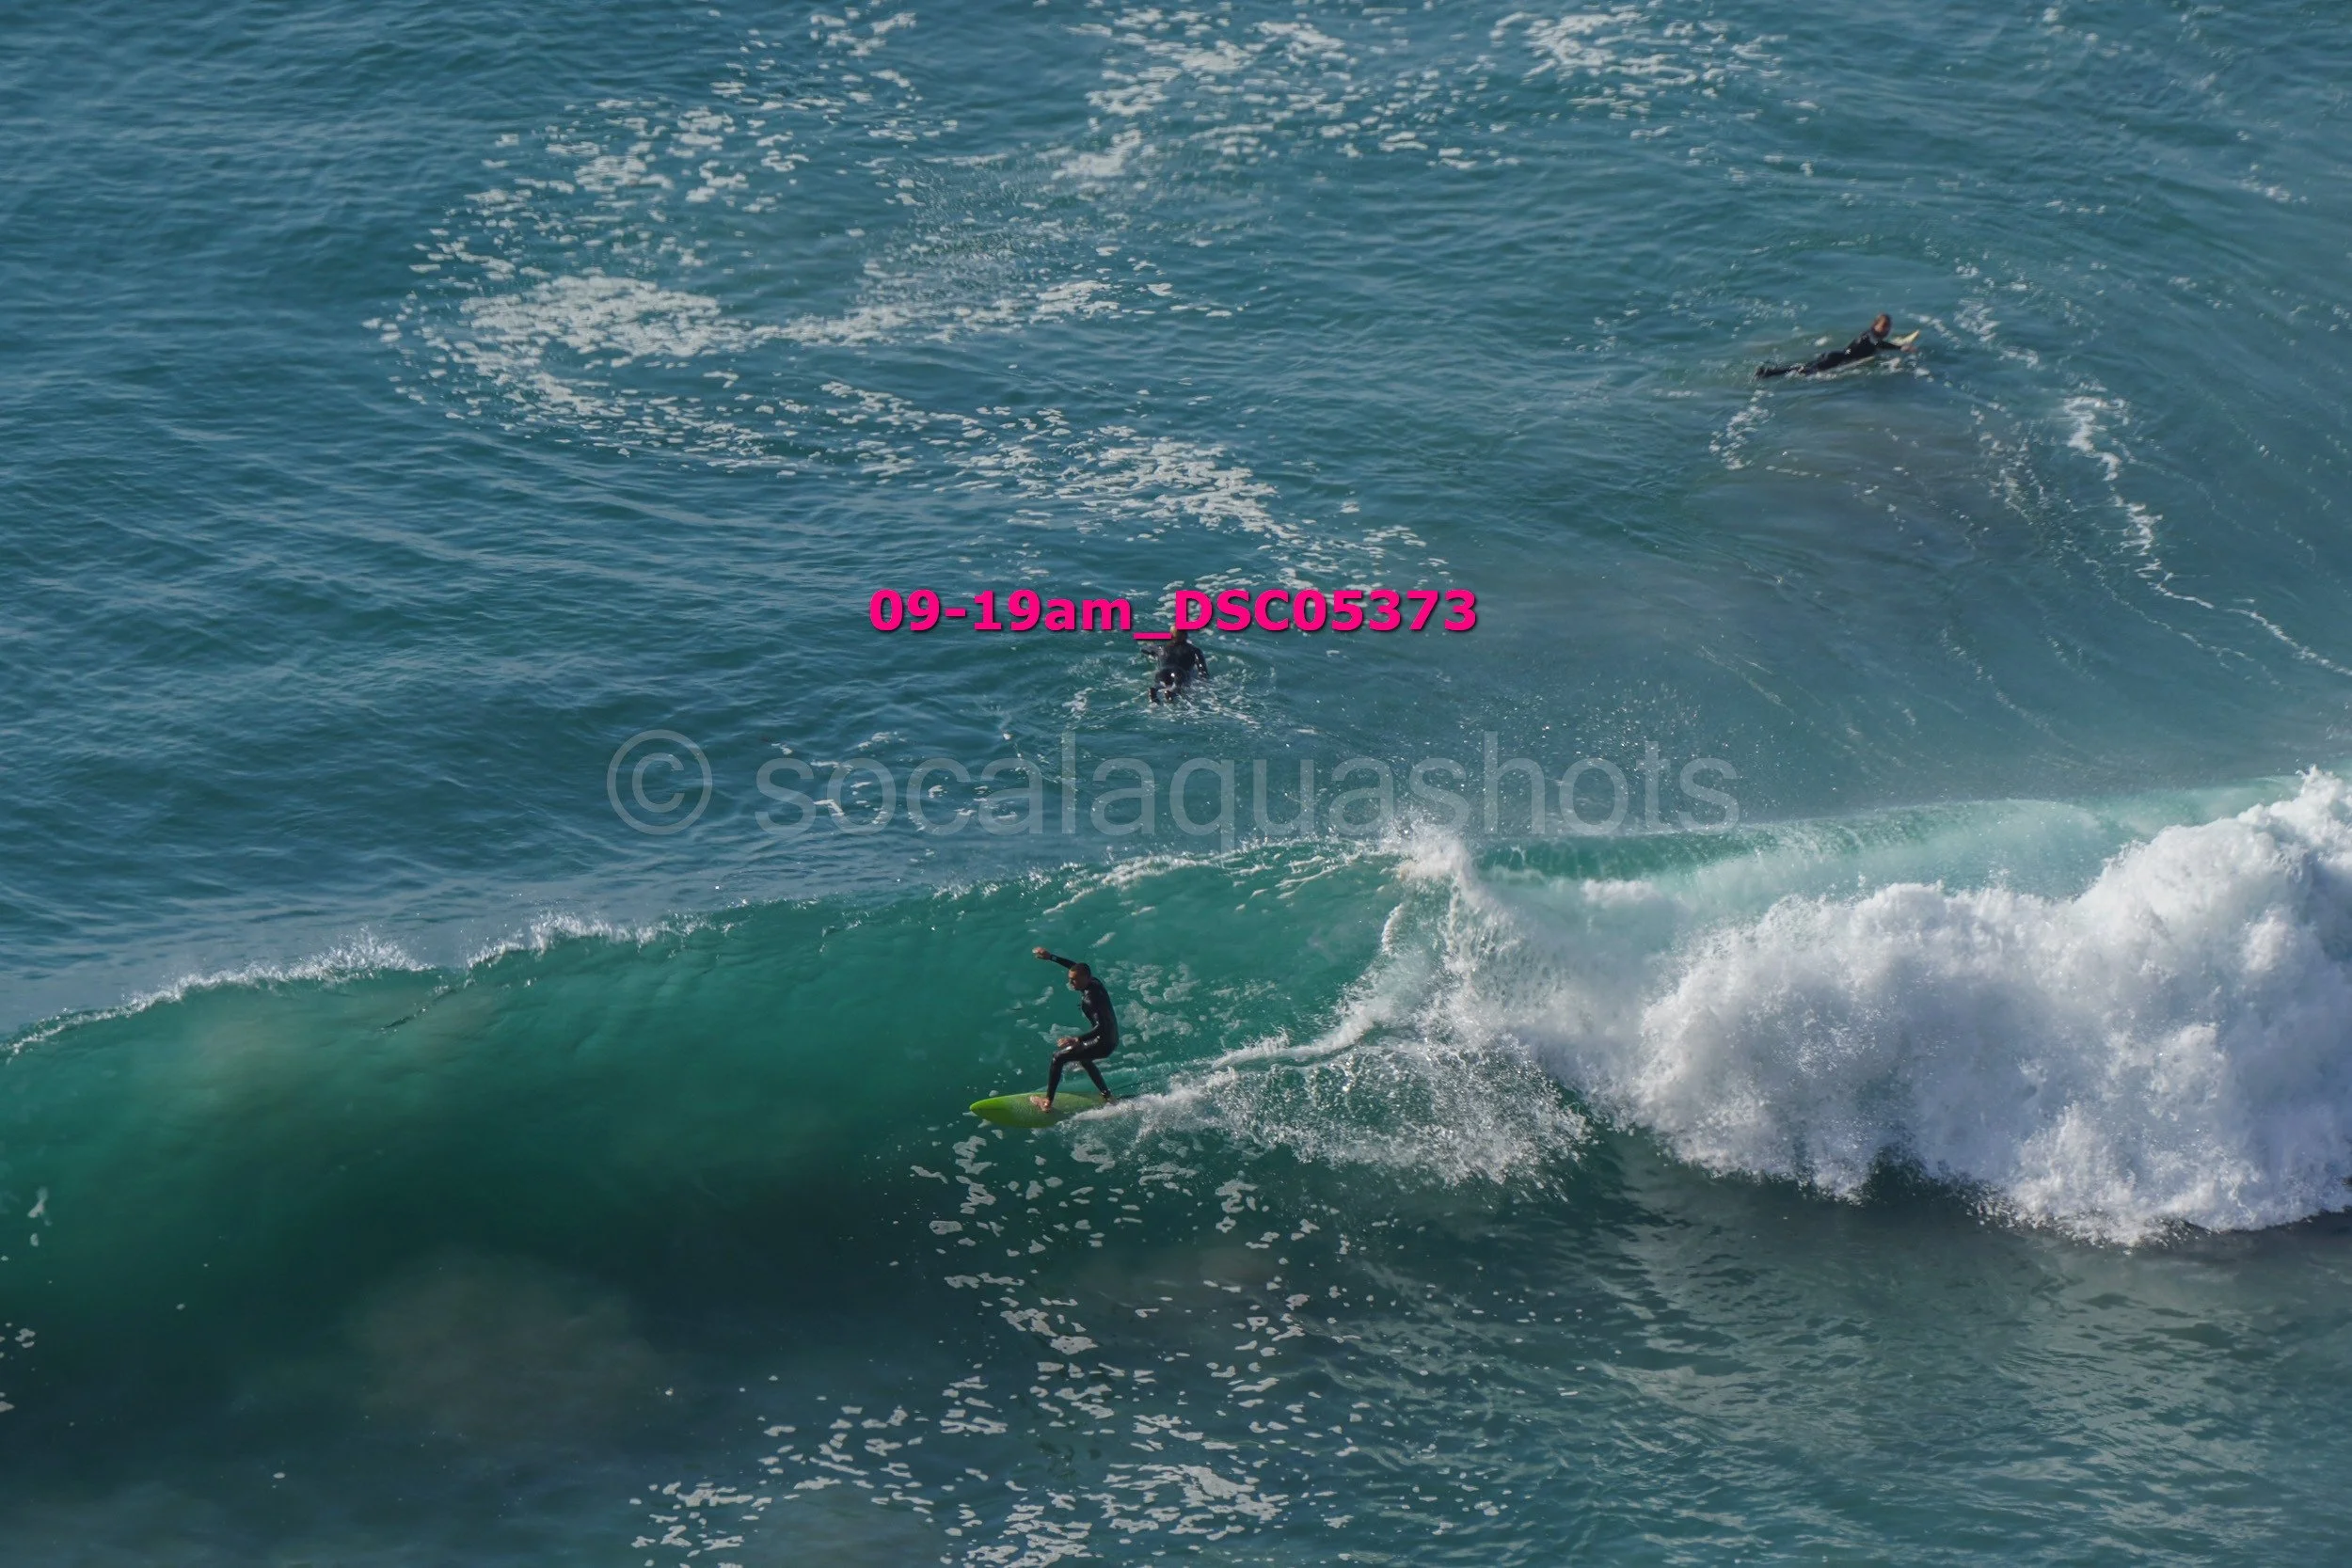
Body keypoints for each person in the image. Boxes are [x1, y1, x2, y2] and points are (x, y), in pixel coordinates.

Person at [1031, 946, 1119, 1110]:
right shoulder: (1094, 982)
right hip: (1112, 1038)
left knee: (1057, 1058)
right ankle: (1108, 1096)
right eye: (1070, 979)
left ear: (1086, 978)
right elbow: (1074, 966)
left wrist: (1077, 1039)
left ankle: (1047, 1102)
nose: (1071, 983)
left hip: (1103, 1042)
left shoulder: (1090, 1000)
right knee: (1083, 1058)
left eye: (1074, 980)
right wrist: (1051, 957)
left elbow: (1102, 1026)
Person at [1756, 313, 1914, 379]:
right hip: (1837, 359)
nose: (1886, 329)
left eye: (1889, 326)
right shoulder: (1871, 336)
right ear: (1875, 325)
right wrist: (1900, 348)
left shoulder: (1871, 335)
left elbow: (1880, 344)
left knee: (1801, 367)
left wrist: (1896, 345)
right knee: (1805, 371)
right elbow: (1879, 344)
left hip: (1834, 355)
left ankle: (1769, 372)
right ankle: (1769, 373)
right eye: (1884, 326)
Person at [1149, 627, 1208, 705]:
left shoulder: (1160, 648)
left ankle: (1154, 690)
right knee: (1176, 687)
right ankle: (1171, 692)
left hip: (1163, 671)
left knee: (1160, 684)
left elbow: (1146, 649)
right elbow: (1202, 670)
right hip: (1179, 672)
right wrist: (1205, 681)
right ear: (1185, 635)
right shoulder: (1194, 650)